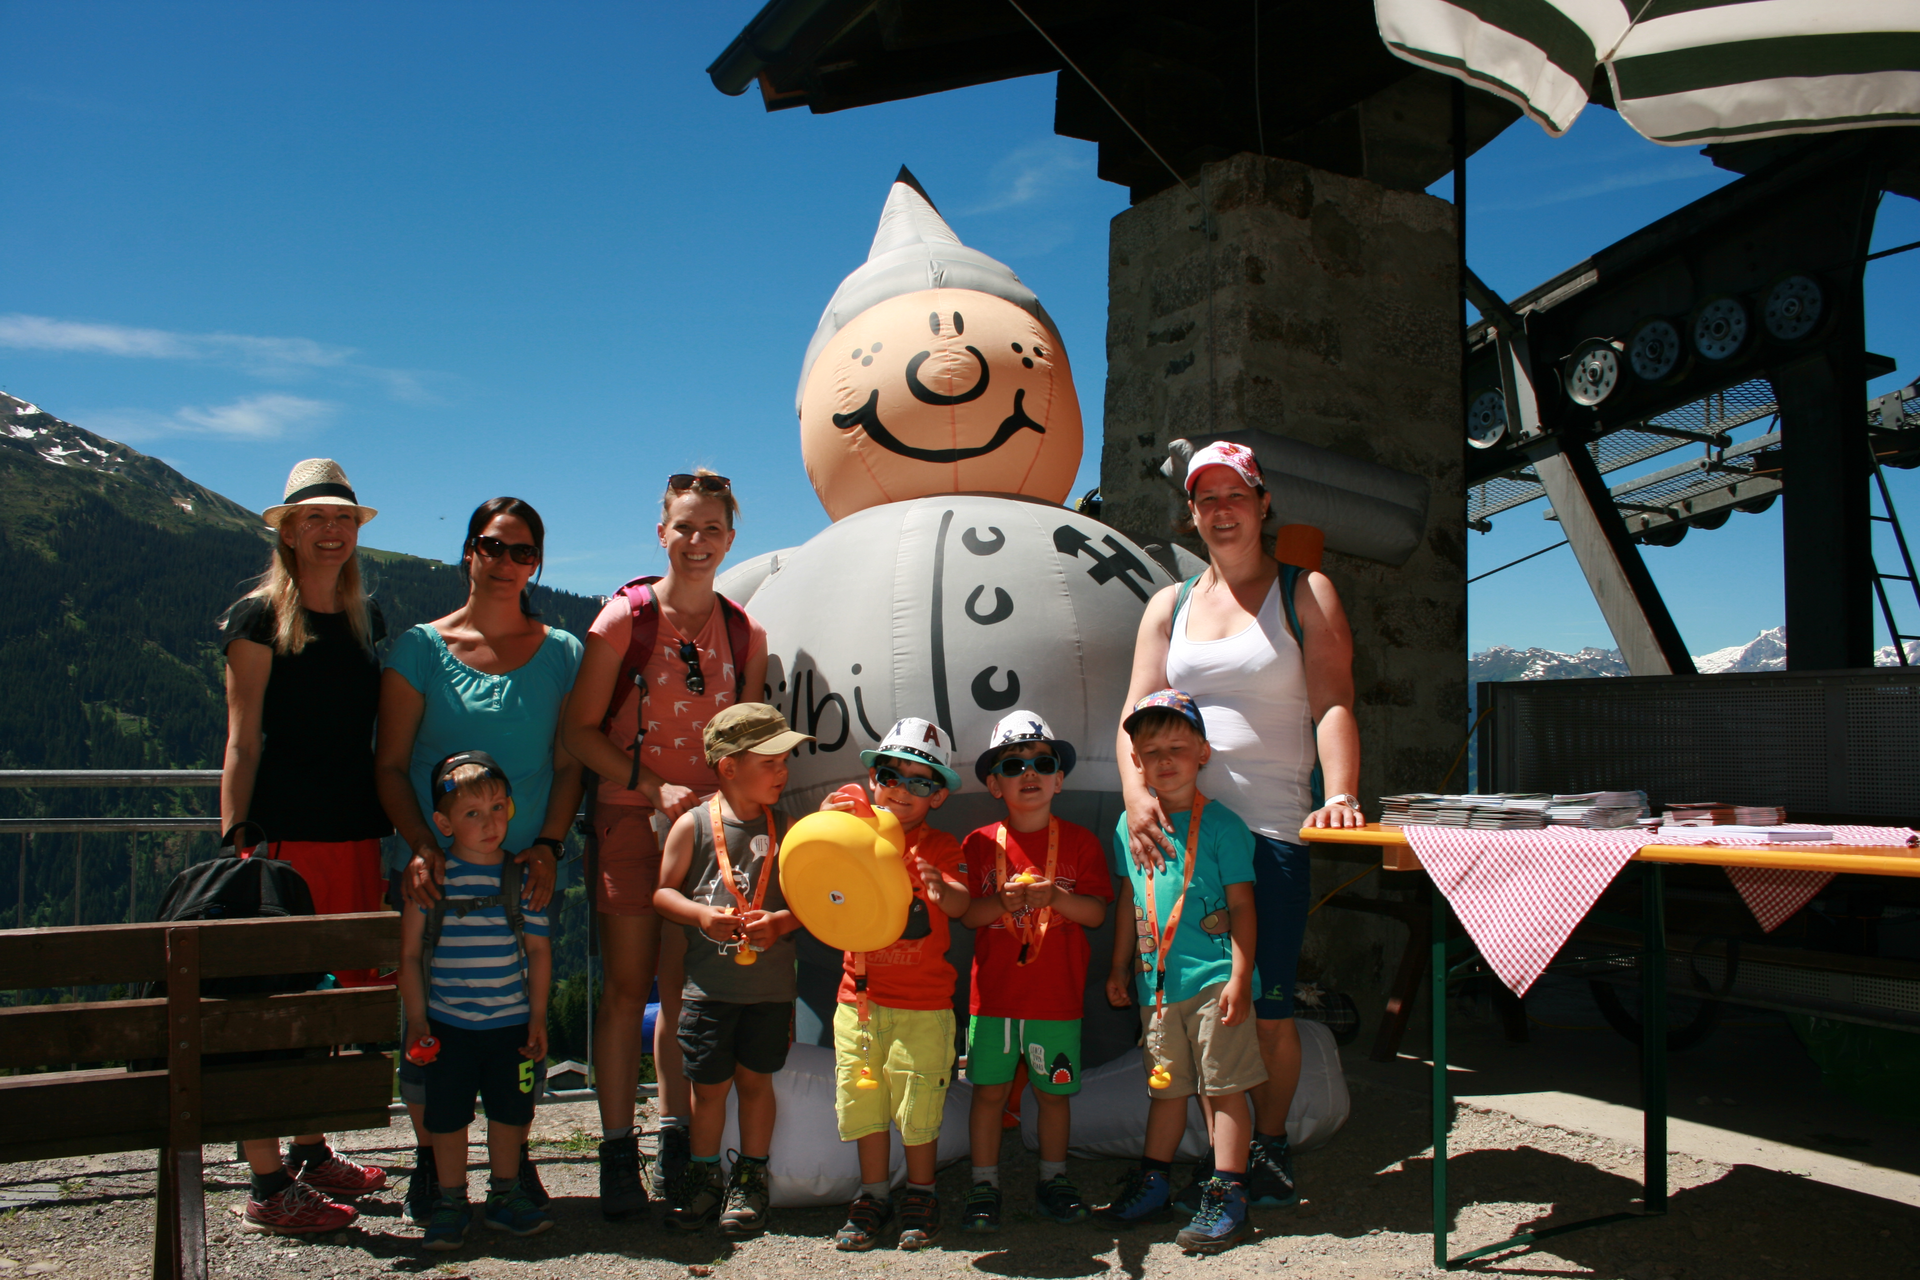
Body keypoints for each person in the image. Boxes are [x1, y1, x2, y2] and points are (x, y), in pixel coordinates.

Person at [1117, 439, 1363, 1209]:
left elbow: (1333, 702)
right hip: (1183, 837)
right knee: (1191, 1007)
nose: (1221, 511)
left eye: (1235, 495)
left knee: (1264, 1010)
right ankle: (1217, 1157)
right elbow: (1135, 712)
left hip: (1270, 835)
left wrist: (1342, 792)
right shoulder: (1169, 605)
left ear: (1262, 504)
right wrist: (1136, 798)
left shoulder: (1305, 591)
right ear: (1190, 515)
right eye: (1206, 499)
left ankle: (1270, 1145)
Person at [559, 468, 769, 1219]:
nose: (697, 541)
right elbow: (578, 731)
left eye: (712, 529)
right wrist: (651, 787)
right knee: (626, 990)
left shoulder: (746, 633)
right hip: (630, 818)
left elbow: (746, 741)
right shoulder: (625, 620)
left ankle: (674, 1138)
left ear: (730, 539)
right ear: (661, 533)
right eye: (685, 526)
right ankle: (619, 1150)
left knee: (682, 991)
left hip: (710, 834)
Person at [376, 496, 584, 1224]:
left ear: (537, 564)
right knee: (428, 1023)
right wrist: (422, 848)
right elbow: (390, 765)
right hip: (432, 871)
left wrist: (549, 846)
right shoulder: (419, 648)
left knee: (510, 1022)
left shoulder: (563, 653)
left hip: (526, 872)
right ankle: (435, 1166)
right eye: (492, 546)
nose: (505, 562)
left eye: (522, 551)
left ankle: (507, 1165)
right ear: (469, 551)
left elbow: (569, 764)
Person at [218, 458, 392, 1235]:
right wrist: (239, 847)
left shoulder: (363, 619)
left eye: (342, 519)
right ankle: (266, 1183)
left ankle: (311, 1151)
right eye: (315, 518)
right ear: (287, 531)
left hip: (354, 833)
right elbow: (242, 740)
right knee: (275, 1004)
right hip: (283, 841)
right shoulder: (258, 619)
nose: (331, 531)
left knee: (332, 1001)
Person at [1098, 691, 1263, 1255]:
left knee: (1224, 1089)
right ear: (1136, 762)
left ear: (1203, 753)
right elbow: (1130, 900)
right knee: (1166, 1089)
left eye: (1178, 748)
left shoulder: (1223, 826)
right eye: (1151, 752)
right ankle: (1155, 1183)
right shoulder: (1129, 826)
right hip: (1158, 988)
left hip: (1217, 980)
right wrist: (1119, 966)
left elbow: (1242, 906)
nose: (1164, 761)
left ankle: (1229, 1193)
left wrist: (1241, 976)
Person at [652, 702, 812, 1237]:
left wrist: (781, 922)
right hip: (708, 991)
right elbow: (662, 894)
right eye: (769, 762)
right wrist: (701, 915)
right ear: (728, 767)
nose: (782, 772)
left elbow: (814, 903)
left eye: (784, 761)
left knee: (756, 1084)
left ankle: (750, 1179)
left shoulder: (790, 830)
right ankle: (703, 1179)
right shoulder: (693, 825)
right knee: (708, 1090)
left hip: (769, 992)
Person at [959, 711, 1112, 1232]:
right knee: (988, 1094)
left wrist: (1056, 898)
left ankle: (1054, 1178)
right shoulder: (978, 844)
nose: (1029, 773)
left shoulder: (1081, 842)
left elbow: (1096, 914)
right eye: (1013, 765)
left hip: (1056, 1001)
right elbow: (968, 915)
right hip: (993, 1002)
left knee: (1054, 1094)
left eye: (1042, 764)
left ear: (1059, 779)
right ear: (994, 784)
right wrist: (1001, 903)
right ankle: (984, 1185)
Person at [823, 718, 970, 1253]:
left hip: (924, 1005)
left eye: (920, 782)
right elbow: (815, 872)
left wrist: (941, 888)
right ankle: (873, 1195)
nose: (902, 790)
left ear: (938, 796)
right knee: (864, 1103)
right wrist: (826, 820)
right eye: (890, 776)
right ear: (873, 780)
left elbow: (964, 904)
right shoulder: (853, 831)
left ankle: (922, 1194)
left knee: (918, 1105)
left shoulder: (941, 845)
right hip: (858, 1000)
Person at [398, 751, 554, 1250]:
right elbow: (409, 954)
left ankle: (505, 1193)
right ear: (443, 823)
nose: (490, 823)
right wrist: (417, 1020)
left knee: (511, 1113)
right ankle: (451, 1200)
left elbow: (539, 950)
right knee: (447, 1117)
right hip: (447, 1025)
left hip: (510, 1024)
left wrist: (537, 1017)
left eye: (497, 808)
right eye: (473, 813)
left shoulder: (522, 877)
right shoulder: (431, 880)